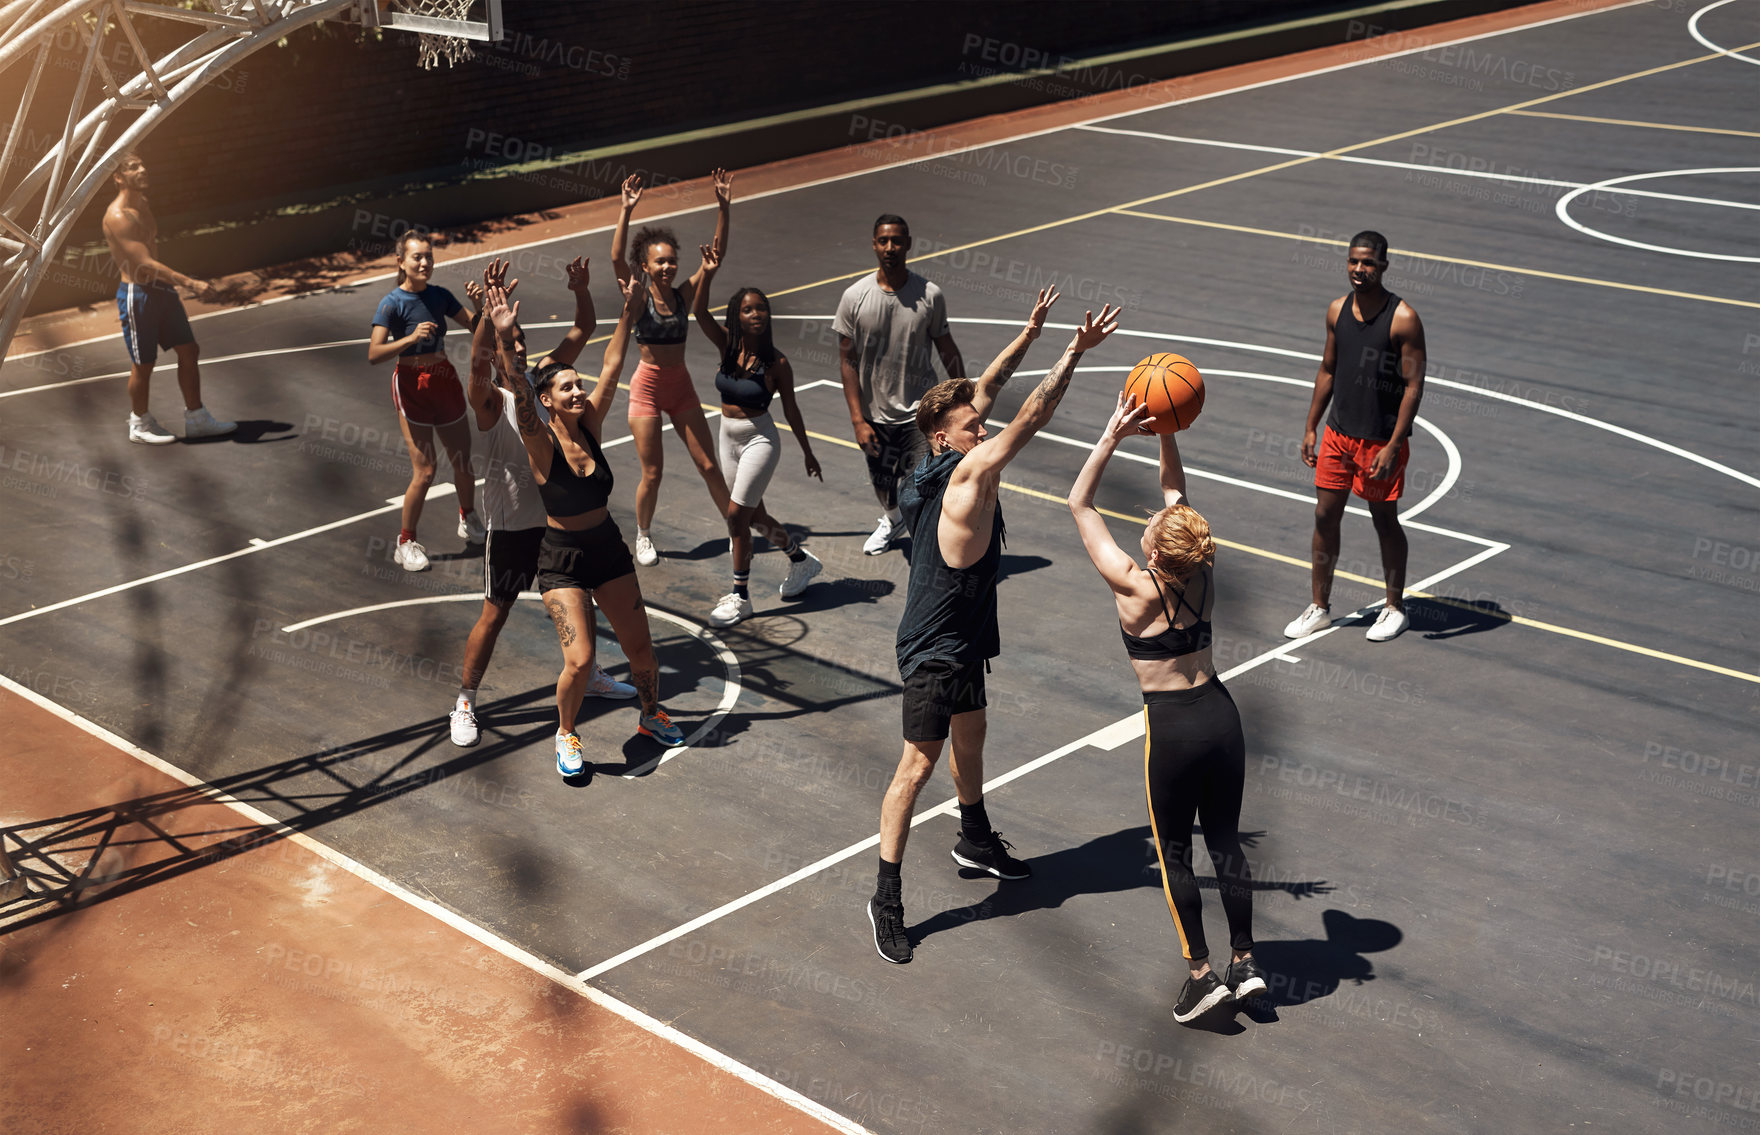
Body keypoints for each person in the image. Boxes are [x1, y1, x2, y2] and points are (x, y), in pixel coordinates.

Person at [867, 290, 1115, 965]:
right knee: (916, 768)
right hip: (935, 644)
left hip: (964, 632)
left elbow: (986, 387)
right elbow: (1031, 413)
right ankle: (886, 899)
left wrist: (1030, 333)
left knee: (971, 734)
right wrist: (1071, 352)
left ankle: (973, 836)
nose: (983, 425)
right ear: (946, 435)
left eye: (980, 421)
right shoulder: (969, 471)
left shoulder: (933, 458)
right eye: (973, 423)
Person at [1067, 392, 1267, 1024]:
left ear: (1155, 552)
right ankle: (1247, 962)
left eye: (1153, 527)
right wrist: (1167, 429)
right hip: (1223, 716)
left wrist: (1110, 435)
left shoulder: (1133, 582)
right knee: (1227, 841)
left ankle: (1202, 975)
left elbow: (1079, 502)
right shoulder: (1203, 569)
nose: (1151, 519)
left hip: (1173, 728)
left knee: (1176, 852)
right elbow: (1176, 496)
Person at [482, 263, 689, 775]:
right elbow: (517, 388)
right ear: (545, 400)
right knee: (579, 660)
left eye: (579, 385)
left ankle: (649, 715)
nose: (578, 391)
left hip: (607, 549)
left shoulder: (590, 423)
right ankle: (567, 735)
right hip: (562, 560)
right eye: (567, 388)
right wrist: (506, 337)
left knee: (641, 649)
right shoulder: (539, 436)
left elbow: (614, 364)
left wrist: (628, 311)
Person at [447, 256, 635, 749]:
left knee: (587, 597)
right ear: (499, 350)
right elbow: (475, 363)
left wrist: (581, 288)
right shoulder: (493, 400)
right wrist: (489, 319)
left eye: (523, 342)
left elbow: (585, 327)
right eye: (511, 343)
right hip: (514, 525)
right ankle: (466, 698)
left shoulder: (544, 388)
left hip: (563, 522)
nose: (520, 348)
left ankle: (589, 674)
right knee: (496, 611)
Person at [1286, 230, 1427, 643]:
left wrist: (1395, 444)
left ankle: (1394, 607)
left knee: (1384, 520)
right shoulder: (1337, 310)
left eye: (1367, 263)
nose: (1359, 270)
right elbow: (1328, 368)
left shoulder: (1403, 318)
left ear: (1383, 265)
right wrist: (1312, 425)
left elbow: (1414, 386)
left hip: (1379, 441)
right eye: (1353, 262)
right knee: (1325, 516)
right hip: (1338, 433)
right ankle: (1319, 607)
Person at [691, 242, 824, 627]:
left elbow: (792, 409)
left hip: (759, 440)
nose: (756, 314)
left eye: (761, 308)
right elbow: (698, 311)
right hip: (727, 436)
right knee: (754, 518)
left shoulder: (777, 363)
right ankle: (800, 560)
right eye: (748, 309)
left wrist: (807, 452)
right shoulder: (727, 347)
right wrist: (708, 273)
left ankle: (741, 596)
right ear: (737, 316)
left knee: (735, 518)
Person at [610, 169, 734, 566]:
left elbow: (717, 255)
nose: (667, 267)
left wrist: (724, 208)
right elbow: (615, 257)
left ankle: (735, 528)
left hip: (680, 387)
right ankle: (643, 536)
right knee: (653, 473)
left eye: (671, 261)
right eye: (659, 262)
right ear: (644, 266)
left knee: (709, 464)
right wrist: (625, 211)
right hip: (646, 387)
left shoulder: (682, 295)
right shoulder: (638, 296)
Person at [836, 214, 966, 556]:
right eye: (883, 241)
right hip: (873, 414)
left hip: (921, 414)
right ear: (874, 244)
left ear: (908, 244)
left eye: (896, 241)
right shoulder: (854, 297)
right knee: (883, 482)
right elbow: (847, 360)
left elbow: (946, 348)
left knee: (921, 483)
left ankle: (927, 542)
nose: (890, 247)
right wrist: (856, 419)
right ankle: (891, 519)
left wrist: (961, 401)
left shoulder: (930, 295)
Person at [368, 231, 485, 572]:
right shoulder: (391, 303)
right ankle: (405, 542)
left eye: (428, 257)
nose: (424, 263)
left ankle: (468, 517)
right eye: (417, 257)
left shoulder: (440, 295)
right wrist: (409, 338)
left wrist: (479, 307)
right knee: (426, 471)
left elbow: (477, 327)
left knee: (463, 460)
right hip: (411, 386)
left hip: (444, 381)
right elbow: (374, 353)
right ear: (400, 262)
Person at [101, 151, 235, 445]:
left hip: (162, 291)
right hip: (138, 295)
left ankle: (197, 418)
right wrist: (190, 283)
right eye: (134, 167)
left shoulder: (143, 204)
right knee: (143, 364)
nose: (143, 169)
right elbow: (144, 263)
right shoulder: (117, 216)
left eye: (143, 163)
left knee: (189, 350)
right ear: (119, 177)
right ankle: (139, 423)